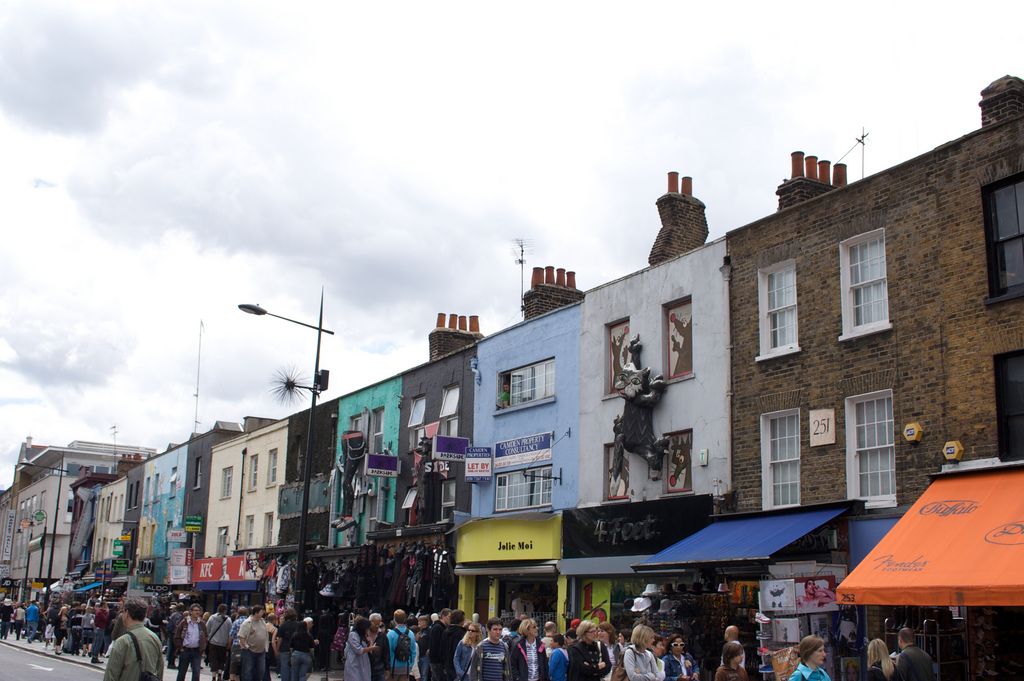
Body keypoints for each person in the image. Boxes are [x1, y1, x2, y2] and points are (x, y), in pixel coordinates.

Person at [102, 597, 164, 681]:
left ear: (127, 613)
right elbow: (160, 670)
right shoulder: (154, 638)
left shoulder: (123, 641)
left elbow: (111, 674)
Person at [174, 603, 208, 681]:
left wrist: (203, 647)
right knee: (182, 672)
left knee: (196, 672)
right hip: (185, 650)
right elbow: (177, 635)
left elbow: (205, 636)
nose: (197, 612)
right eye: (195, 610)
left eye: (199, 610)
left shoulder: (201, 623)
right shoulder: (184, 622)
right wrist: (180, 647)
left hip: (196, 651)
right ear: (191, 611)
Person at [238, 605, 269, 681]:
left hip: (261, 651)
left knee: (261, 670)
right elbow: (241, 636)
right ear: (256, 613)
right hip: (249, 651)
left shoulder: (262, 621)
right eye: (261, 611)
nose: (263, 613)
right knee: (248, 670)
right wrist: (246, 646)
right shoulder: (247, 622)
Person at [389, 609, 420, 681]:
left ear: (394, 619)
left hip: (393, 666)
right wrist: (410, 665)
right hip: (406, 666)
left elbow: (388, 651)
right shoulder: (410, 633)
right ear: (405, 619)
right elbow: (413, 651)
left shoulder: (391, 634)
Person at [207, 604, 233, 681]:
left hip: (213, 643)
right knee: (221, 660)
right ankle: (219, 674)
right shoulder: (228, 620)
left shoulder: (212, 618)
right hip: (223, 643)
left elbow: (207, 629)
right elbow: (230, 633)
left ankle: (213, 676)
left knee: (213, 660)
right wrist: (228, 643)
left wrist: (209, 638)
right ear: (225, 610)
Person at [346, 616, 377, 681]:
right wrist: (372, 648)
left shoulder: (363, 636)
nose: (368, 630)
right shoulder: (353, 635)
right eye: (367, 628)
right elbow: (359, 650)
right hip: (354, 663)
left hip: (363, 663)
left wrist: (370, 641)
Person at [273, 608, 299, 681]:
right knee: (294, 668)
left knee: (284, 668)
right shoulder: (298, 624)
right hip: (295, 649)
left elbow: (280, 639)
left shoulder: (283, 625)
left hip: (284, 649)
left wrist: (277, 650)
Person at [444, 610, 469, 681]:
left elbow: (441, 649)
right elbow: (459, 651)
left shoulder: (445, 631)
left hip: (447, 665)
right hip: (458, 667)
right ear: (461, 621)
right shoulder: (460, 633)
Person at [429, 609, 451, 681]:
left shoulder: (440, 627)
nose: (450, 619)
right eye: (449, 617)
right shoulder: (438, 628)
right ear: (443, 616)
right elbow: (436, 646)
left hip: (437, 661)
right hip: (437, 662)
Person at [166, 604, 184, 669]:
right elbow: (177, 625)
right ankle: (171, 663)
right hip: (175, 633)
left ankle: (170, 662)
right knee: (174, 649)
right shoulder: (179, 615)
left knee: (172, 648)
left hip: (171, 632)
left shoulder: (173, 614)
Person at [416, 614, 433, 681]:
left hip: (425, 656)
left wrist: (430, 648)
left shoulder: (429, 630)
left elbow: (432, 641)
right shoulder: (418, 630)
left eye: (420, 621)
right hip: (418, 655)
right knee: (418, 675)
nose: (418, 623)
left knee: (424, 674)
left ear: (425, 622)